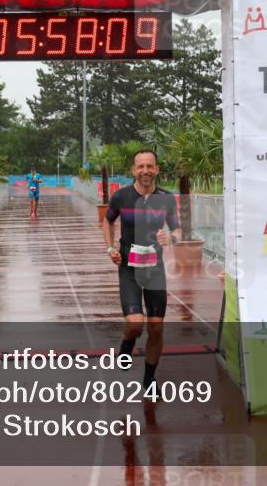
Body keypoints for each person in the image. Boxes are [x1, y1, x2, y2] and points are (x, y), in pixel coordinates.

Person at [102, 150, 181, 390]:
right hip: (129, 268)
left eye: (150, 166)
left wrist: (171, 237)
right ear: (133, 170)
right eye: (140, 167)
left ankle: (149, 380)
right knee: (136, 324)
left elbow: (177, 230)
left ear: (157, 170)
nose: (145, 171)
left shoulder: (167, 199)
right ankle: (127, 343)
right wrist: (110, 248)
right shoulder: (121, 197)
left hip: (155, 269)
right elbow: (108, 221)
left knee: (156, 327)